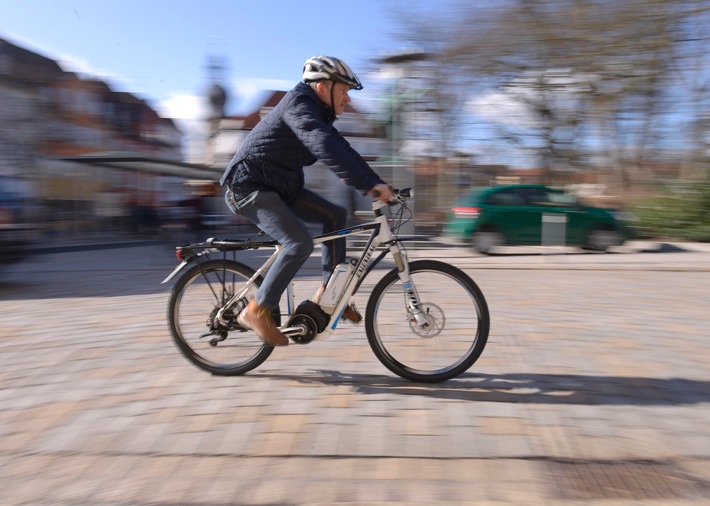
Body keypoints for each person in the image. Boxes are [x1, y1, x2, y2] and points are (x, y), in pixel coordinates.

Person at [220, 55, 393, 347]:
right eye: (344, 91)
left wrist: (376, 183)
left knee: (336, 216)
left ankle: (330, 294)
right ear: (323, 87)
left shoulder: (318, 113)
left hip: (280, 187)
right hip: (248, 187)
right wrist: (367, 184)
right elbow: (322, 143)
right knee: (298, 243)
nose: (348, 99)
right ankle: (256, 309)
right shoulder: (299, 105)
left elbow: (341, 148)